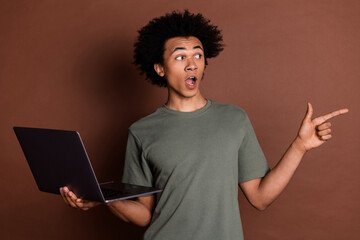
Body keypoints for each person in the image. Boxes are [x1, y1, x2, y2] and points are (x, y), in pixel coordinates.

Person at [60, 10, 348, 240]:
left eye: (198, 55)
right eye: (180, 56)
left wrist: (300, 146)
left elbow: (260, 198)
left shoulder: (234, 119)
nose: (191, 64)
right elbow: (145, 214)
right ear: (159, 68)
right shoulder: (141, 131)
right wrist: (103, 199)